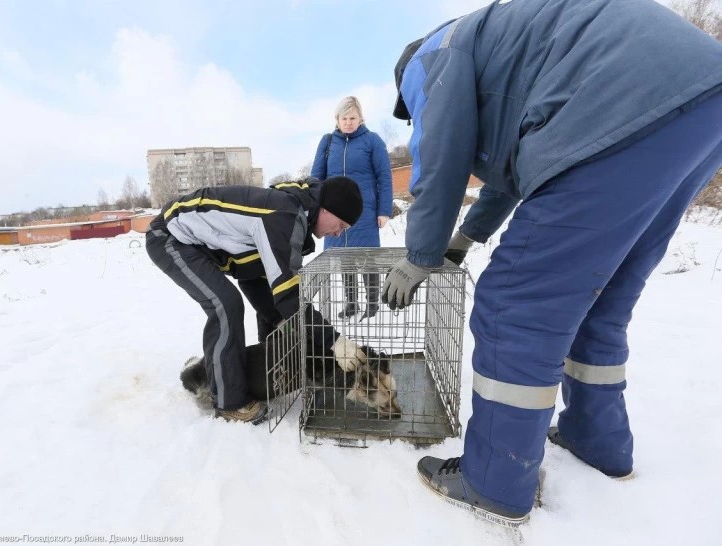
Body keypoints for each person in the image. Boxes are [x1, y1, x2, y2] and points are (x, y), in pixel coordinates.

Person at [382, 0, 722, 526]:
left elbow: (441, 150)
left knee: (516, 303)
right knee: (600, 299)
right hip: (701, 98)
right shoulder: (506, 50)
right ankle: (596, 438)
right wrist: (466, 238)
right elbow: (510, 173)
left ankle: (495, 480)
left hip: (616, 101)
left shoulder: (434, 53)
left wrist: (421, 255)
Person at [147, 176, 368, 424]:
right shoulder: (285, 215)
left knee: (257, 305)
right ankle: (229, 403)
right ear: (327, 209)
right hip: (170, 237)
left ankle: (215, 370)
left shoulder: (293, 217)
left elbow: (254, 277)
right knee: (225, 304)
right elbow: (287, 294)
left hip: (199, 247)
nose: (338, 233)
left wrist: (278, 324)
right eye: (341, 225)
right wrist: (334, 341)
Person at [311, 96, 393, 320]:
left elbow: (384, 177)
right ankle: (351, 303)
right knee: (344, 259)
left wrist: (384, 210)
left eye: (352, 117)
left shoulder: (372, 141)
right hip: (334, 213)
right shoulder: (327, 142)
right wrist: (314, 209)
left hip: (364, 212)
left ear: (361, 118)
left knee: (367, 259)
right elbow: (316, 179)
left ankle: (373, 304)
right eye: (344, 118)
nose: (348, 122)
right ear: (337, 119)